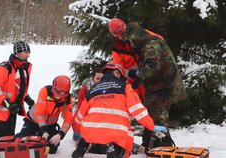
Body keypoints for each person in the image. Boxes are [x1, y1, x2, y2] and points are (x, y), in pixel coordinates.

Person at [108, 18, 187, 150]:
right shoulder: (135, 39)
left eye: (124, 35)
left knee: (157, 117)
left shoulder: (152, 43)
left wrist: (139, 77)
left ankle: (165, 146)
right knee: (150, 115)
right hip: (154, 85)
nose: (126, 41)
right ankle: (148, 145)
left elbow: (152, 64)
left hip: (165, 84)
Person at [71, 61, 167, 158]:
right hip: (116, 133)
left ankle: (81, 148)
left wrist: (77, 131)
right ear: (116, 73)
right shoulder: (125, 88)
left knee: (87, 134)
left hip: (91, 132)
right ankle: (118, 151)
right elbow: (138, 111)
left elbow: (80, 115)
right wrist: (152, 126)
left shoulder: (92, 90)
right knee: (126, 146)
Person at [16, 75, 73, 154]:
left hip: (50, 125)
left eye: (63, 93)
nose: (59, 96)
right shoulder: (45, 91)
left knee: (52, 149)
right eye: (58, 92)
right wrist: (44, 130)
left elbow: (68, 120)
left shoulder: (68, 99)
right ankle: (30, 134)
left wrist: (59, 135)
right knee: (21, 143)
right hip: (33, 121)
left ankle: (39, 134)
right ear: (54, 87)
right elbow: (39, 113)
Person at [72, 68, 104, 141]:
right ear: (93, 79)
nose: (100, 81)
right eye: (98, 78)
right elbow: (82, 110)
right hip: (83, 121)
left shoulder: (106, 90)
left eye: (102, 79)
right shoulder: (85, 90)